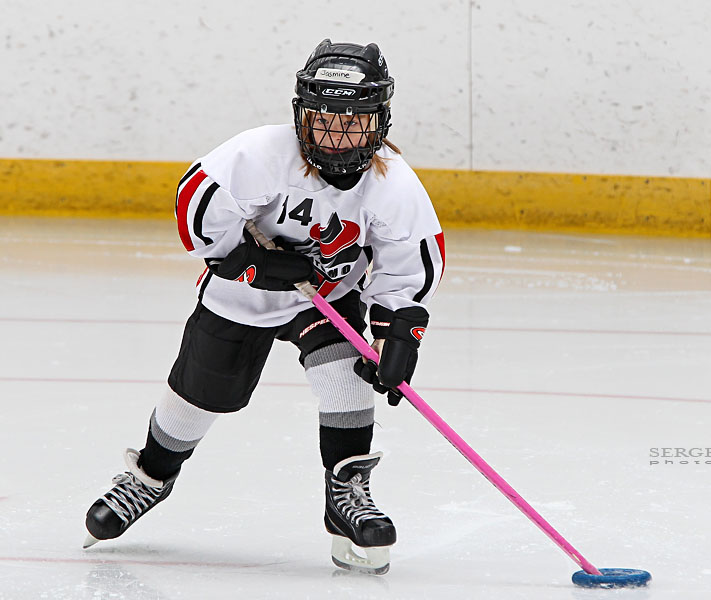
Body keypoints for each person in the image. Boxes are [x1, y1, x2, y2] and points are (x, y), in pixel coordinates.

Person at [83, 39, 445, 576]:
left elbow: (409, 263)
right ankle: (150, 476)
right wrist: (251, 264)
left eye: (353, 121)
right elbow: (196, 207)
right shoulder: (260, 154)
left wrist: (398, 335)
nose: (337, 134)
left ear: (380, 121)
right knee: (199, 395)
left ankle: (346, 492)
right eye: (324, 118)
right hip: (241, 294)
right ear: (301, 115)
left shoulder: (393, 185)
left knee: (345, 374)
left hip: (326, 296)